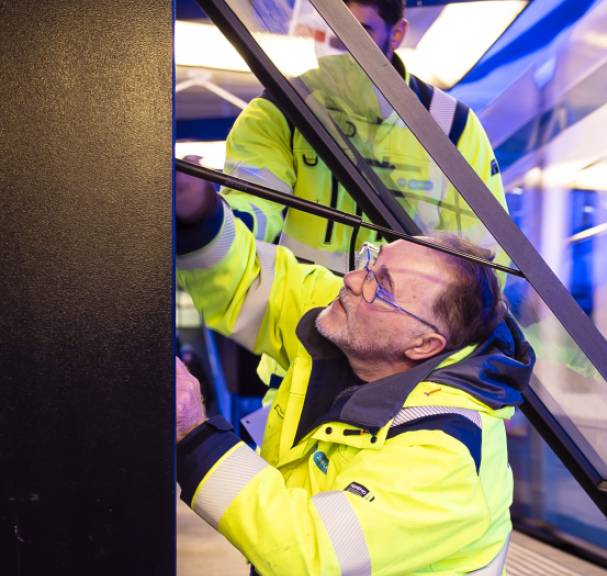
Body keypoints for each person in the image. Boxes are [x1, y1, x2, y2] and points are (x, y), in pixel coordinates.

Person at [174, 173, 534, 575]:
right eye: (371, 261)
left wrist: (194, 434)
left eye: (381, 286)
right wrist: (199, 213)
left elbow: (310, 553)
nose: (351, 280)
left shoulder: (447, 455)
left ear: (424, 345)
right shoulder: (350, 321)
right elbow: (248, 282)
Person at [219, 0, 509, 401]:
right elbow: (247, 216)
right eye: (325, 35)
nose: (336, 51)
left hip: (407, 368)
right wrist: (210, 222)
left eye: (359, 34)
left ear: (398, 34)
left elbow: (489, 259)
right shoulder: (279, 112)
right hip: (302, 349)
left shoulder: (450, 127)